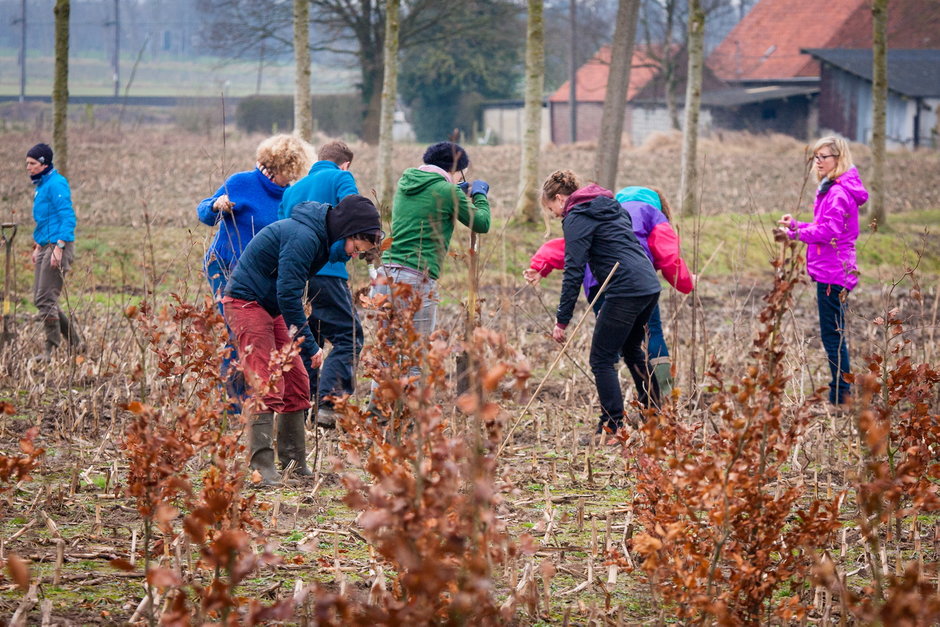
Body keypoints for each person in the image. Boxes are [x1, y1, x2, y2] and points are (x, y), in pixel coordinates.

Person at [223, 194, 383, 486]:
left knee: (297, 380)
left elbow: (287, 295)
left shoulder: (320, 238)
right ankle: (262, 466)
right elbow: (288, 294)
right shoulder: (305, 237)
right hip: (247, 302)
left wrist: (304, 344)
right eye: (357, 247)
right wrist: (309, 344)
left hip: (271, 307)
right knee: (268, 379)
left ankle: (294, 463)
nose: (355, 255)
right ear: (348, 230)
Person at [524, 186, 694, 400]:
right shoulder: (653, 215)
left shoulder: (606, 212)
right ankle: (664, 394)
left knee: (612, 349)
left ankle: (619, 413)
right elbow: (668, 256)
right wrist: (687, 282)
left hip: (598, 284)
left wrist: (540, 265)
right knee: (651, 335)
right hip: (638, 285)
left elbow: (570, 248)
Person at [541, 171, 662, 434]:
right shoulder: (611, 205)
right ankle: (655, 419)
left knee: (601, 358)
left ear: (560, 199)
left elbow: (574, 269)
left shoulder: (576, 217)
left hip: (626, 288)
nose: (556, 216)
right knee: (631, 350)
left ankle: (611, 426)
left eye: (553, 210)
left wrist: (562, 319)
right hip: (648, 284)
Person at [196, 134, 312, 400]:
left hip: (260, 277)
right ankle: (236, 404)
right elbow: (203, 213)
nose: (292, 178)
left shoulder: (288, 197)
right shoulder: (240, 182)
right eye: (289, 172)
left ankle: (258, 397)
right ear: (279, 167)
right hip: (224, 266)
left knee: (260, 335)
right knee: (238, 333)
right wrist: (217, 205)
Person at [371, 142, 490, 387]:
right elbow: (481, 223)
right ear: (454, 170)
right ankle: (413, 423)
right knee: (415, 357)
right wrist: (479, 196)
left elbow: (430, 202)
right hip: (416, 277)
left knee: (387, 356)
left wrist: (454, 190)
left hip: (386, 274)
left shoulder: (406, 184)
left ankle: (378, 417)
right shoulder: (448, 192)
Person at [278, 141, 361, 428]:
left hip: (297, 277)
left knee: (305, 341)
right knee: (349, 337)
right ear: (345, 163)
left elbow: (281, 230)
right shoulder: (341, 177)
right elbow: (353, 210)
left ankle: (304, 406)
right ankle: (329, 403)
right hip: (329, 271)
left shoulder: (293, 189)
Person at [778, 136, 867, 406]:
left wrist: (794, 232)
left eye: (824, 157)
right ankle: (842, 392)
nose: (818, 162)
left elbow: (829, 232)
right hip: (831, 268)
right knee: (833, 332)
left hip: (834, 272)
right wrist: (797, 225)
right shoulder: (832, 188)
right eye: (816, 157)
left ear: (838, 159)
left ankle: (841, 395)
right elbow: (823, 225)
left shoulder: (838, 193)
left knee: (832, 334)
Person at [26, 143, 82, 359]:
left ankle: (50, 349)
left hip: (59, 244)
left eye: (32, 163)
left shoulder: (57, 184)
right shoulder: (41, 184)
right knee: (42, 298)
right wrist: (38, 245)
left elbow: (67, 217)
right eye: (27, 163)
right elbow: (46, 219)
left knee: (45, 298)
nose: (28, 167)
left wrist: (59, 247)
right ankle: (76, 343)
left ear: (43, 163)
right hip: (45, 243)